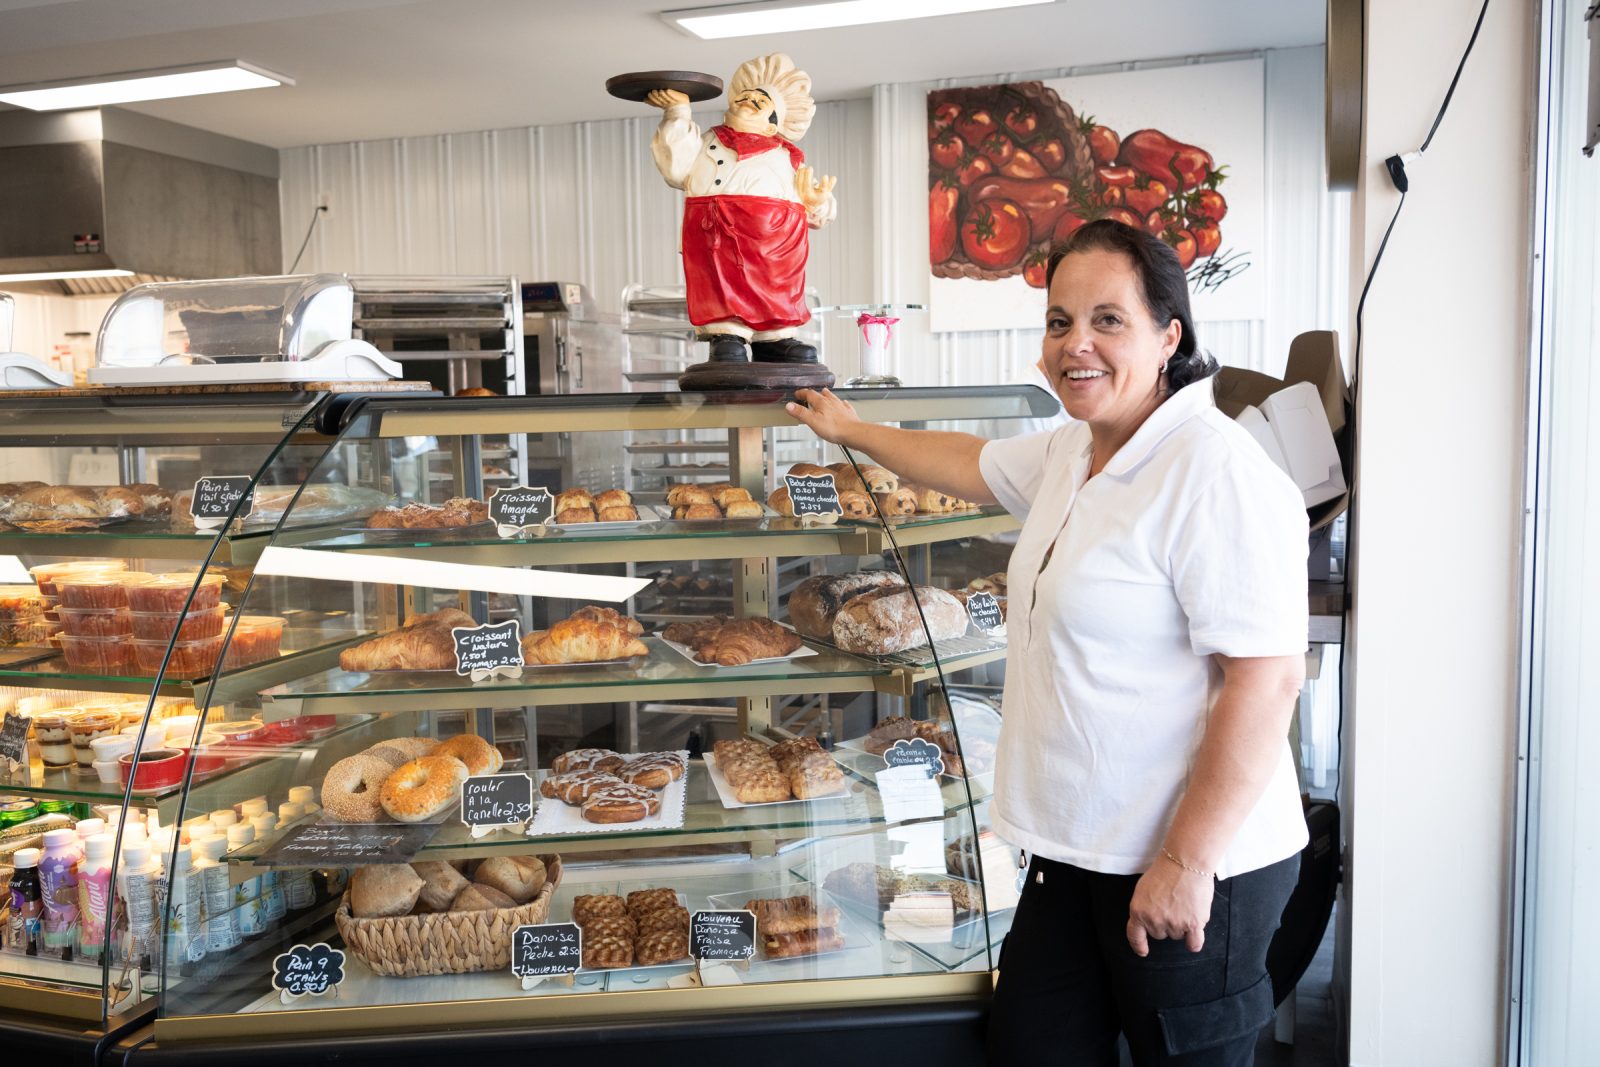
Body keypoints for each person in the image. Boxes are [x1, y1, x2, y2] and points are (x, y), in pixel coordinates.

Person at [786, 219, 1309, 1066]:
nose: (1077, 344)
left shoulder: (1216, 472)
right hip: (1074, 853)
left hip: (1192, 863)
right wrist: (854, 430)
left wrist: (1185, 860)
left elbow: (1268, 680)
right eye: (1060, 321)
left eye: (1109, 320)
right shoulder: (1079, 447)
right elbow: (968, 460)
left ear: (1169, 335)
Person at [647, 53, 837, 365]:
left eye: (761, 99)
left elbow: (821, 210)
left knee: (776, 289)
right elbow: (675, 165)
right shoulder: (709, 142)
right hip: (718, 236)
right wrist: (678, 110)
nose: (749, 99)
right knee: (722, 286)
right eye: (745, 95)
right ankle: (727, 334)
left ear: (775, 120)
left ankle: (774, 338)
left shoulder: (790, 158)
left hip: (778, 249)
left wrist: (816, 202)